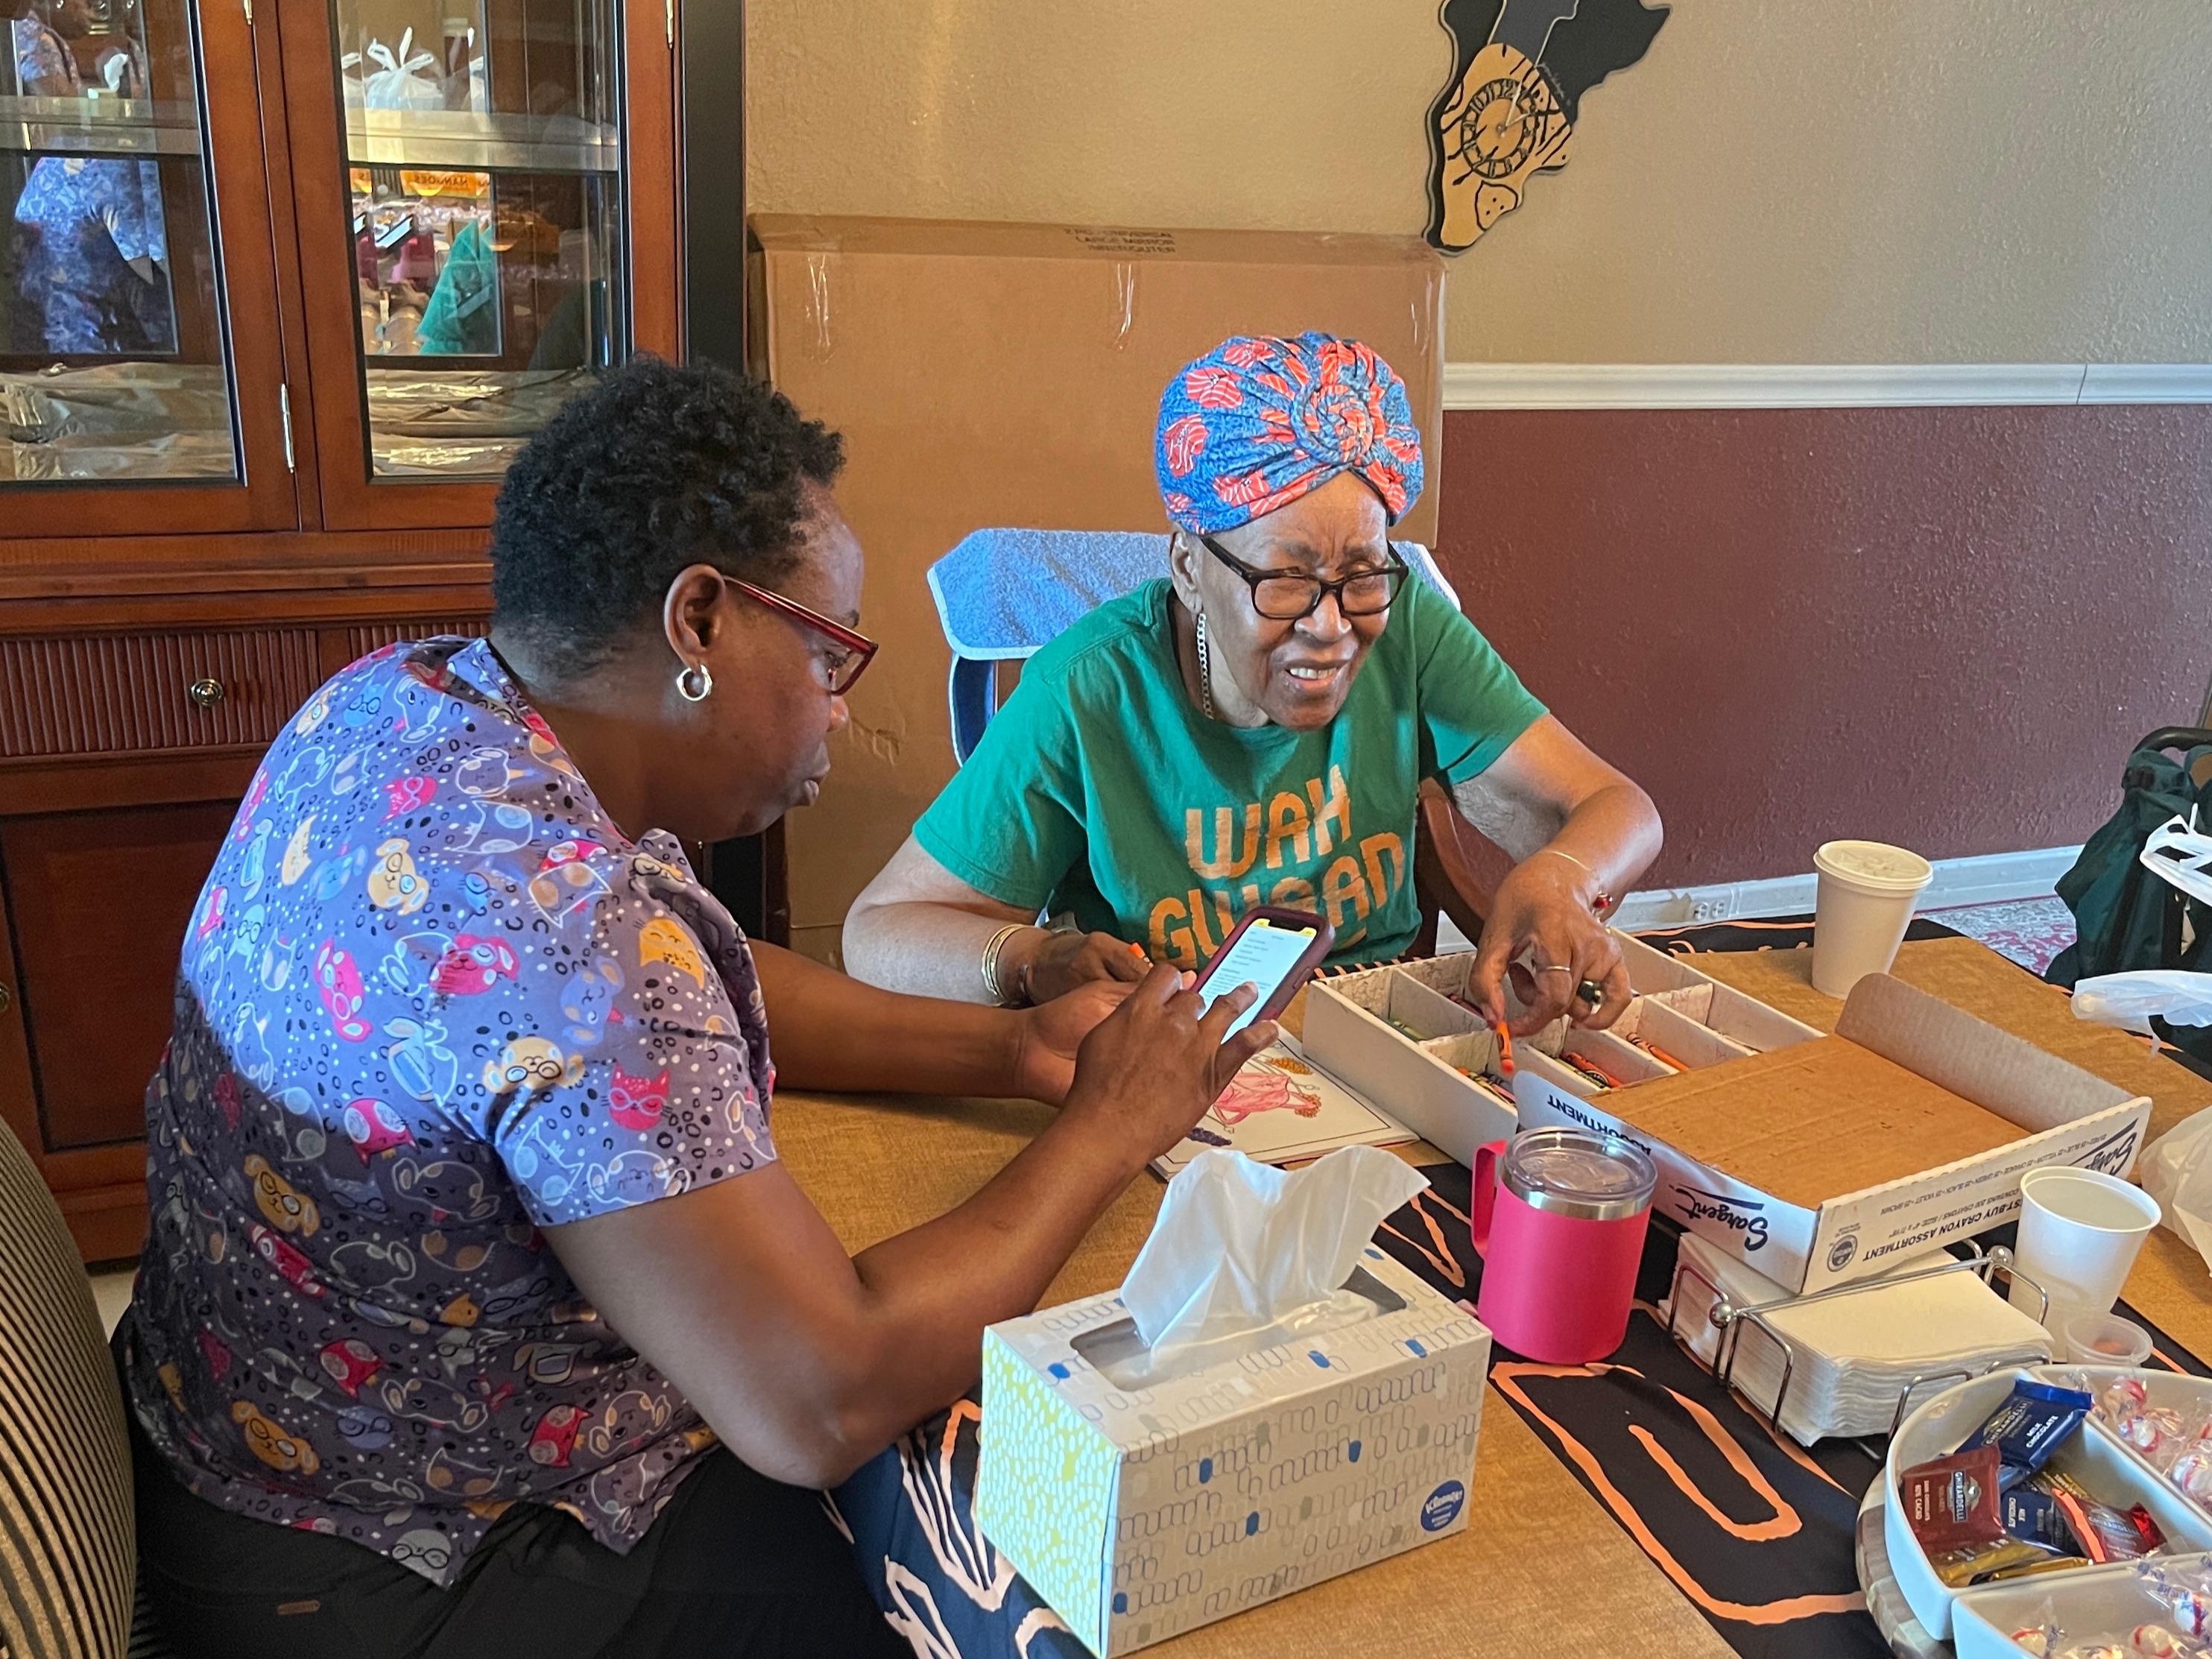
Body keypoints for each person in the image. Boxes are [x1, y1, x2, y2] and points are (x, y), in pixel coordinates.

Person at [118, 357, 1276, 1658]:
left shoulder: (414, 703)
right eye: (830, 651)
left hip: (246, 1448)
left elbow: (686, 971)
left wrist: (1008, 1047)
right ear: (701, 622)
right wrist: (1106, 1132)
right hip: (402, 1569)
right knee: (986, 1559)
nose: (841, 709)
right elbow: (818, 1398)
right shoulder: (568, 936)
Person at [844, 331, 1663, 1035]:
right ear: (1189, 569)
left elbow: (1619, 809)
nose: (1331, 626)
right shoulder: (1089, 690)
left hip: (1379, 1029)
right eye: (1286, 581)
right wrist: (1030, 957)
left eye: (1362, 575)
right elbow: (879, 932)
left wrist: (1559, 877)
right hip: (1173, 1048)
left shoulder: (1409, 629)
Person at [8, 0, 173, 356]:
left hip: (29, 331)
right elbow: (161, 264)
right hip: (81, 341)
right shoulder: (118, 166)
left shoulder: (70, 153)